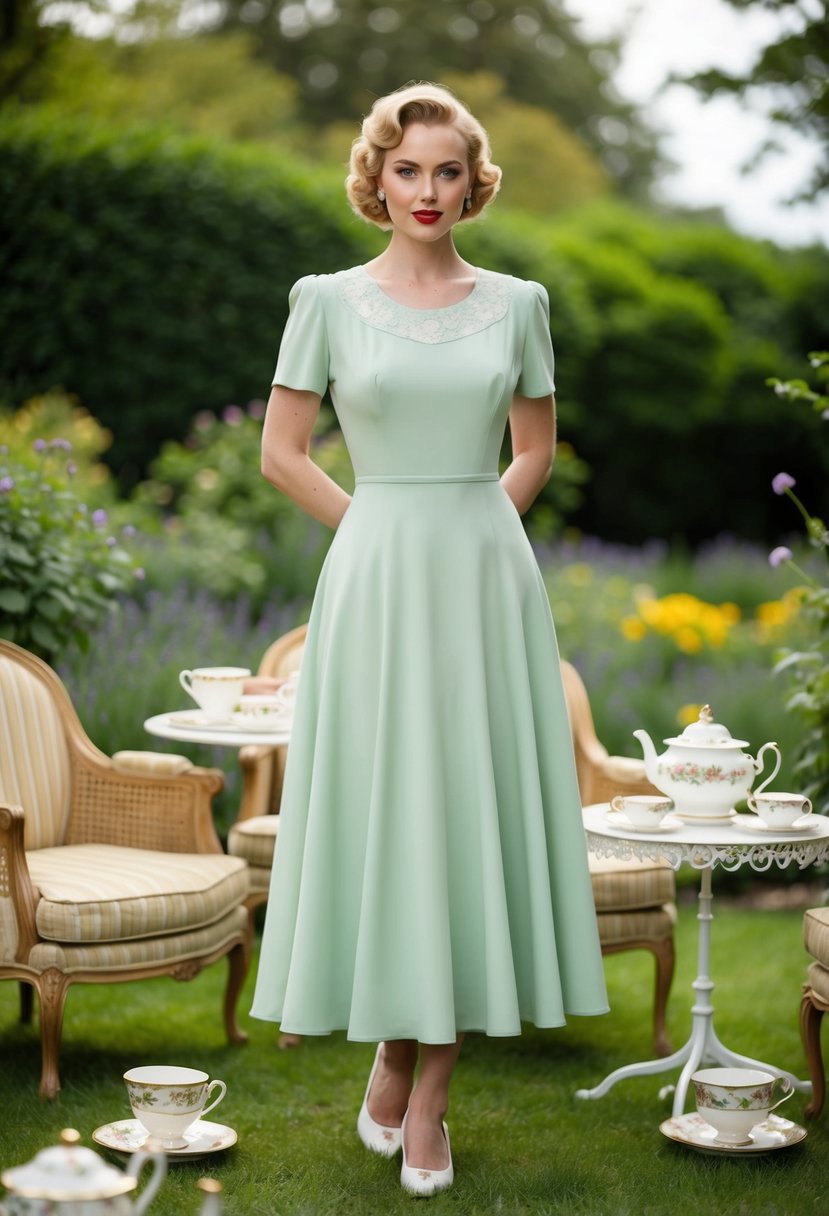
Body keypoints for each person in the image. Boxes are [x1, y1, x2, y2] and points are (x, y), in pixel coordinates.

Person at [250, 82, 608, 1197]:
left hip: (485, 580)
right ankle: (390, 1047)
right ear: (377, 176)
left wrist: (472, 534)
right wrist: (381, 533)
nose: (427, 191)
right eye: (408, 169)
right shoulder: (325, 299)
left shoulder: (518, 303)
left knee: (468, 812)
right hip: (372, 573)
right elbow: (284, 452)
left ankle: (429, 1094)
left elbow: (534, 451)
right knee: (391, 810)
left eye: (448, 171)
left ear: (474, 182)